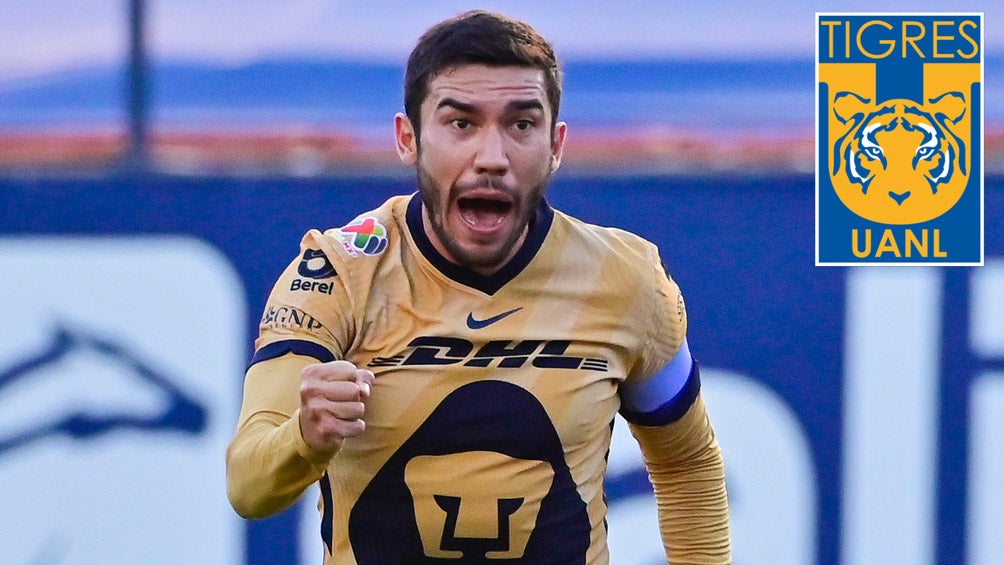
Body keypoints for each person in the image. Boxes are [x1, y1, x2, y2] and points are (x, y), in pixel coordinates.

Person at [226, 9, 731, 564]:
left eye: (521, 125)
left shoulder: (628, 278)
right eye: (461, 123)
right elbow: (248, 487)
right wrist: (305, 435)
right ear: (408, 139)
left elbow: (688, 464)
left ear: (556, 145)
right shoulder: (339, 273)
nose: (492, 159)